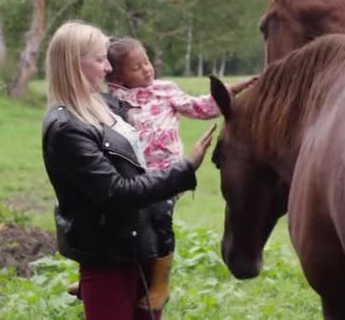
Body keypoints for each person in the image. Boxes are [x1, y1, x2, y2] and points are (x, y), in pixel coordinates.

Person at [42, 20, 216, 320]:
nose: (108, 68)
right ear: (73, 64)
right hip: (109, 258)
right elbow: (116, 191)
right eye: (99, 60)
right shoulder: (66, 128)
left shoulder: (104, 104)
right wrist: (185, 168)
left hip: (139, 246)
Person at [99, 36, 256, 311]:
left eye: (146, 61)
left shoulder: (165, 90)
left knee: (159, 221)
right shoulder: (114, 98)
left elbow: (200, 107)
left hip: (167, 176)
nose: (147, 69)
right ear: (119, 76)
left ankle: (160, 284)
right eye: (137, 68)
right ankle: (102, 277)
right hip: (131, 176)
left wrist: (230, 91)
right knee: (117, 222)